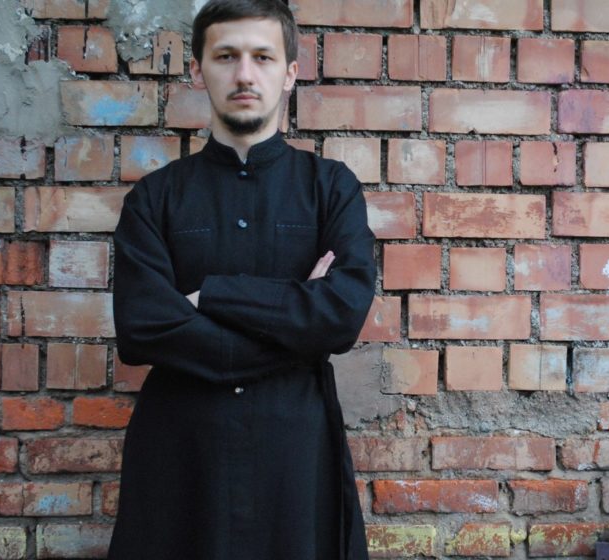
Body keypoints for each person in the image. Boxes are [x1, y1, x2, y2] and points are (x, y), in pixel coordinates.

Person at [107, 0, 376, 558]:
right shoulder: (155, 198)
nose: (245, 74)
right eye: (226, 56)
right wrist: (295, 326)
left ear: (290, 73)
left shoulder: (331, 188)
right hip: (182, 457)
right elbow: (141, 328)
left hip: (295, 458)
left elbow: (340, 316)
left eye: (263, 57)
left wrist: (211, 296)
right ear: (197, 69)